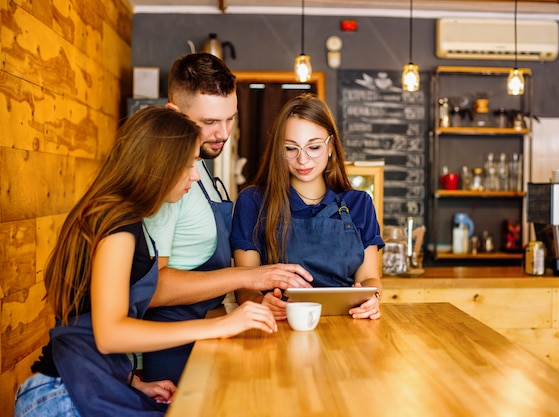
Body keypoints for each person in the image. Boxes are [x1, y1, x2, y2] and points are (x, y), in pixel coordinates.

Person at [13, 106, 279, 417]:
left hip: (86, 381)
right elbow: (110, 334)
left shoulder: (122, 217)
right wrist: (221, 325)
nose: (195, 174)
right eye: (189, 163)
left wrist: (131, 383)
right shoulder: (118, 225)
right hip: (61, 397)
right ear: (159, 164)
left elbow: (83, 318)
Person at [141, 53, 312, 384]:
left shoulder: (201, 169)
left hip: (212, 336)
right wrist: (246, 277)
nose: (222, 133)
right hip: (174, 349)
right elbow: (153, 286)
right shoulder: (169, 179)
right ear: (174, 113)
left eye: (231, 118)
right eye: (208, 123)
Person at [231, 93, 384, 321]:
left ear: (330, 146)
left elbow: (370, 278)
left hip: (347, 325)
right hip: (278, 325)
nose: (303, 160)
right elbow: (244, 286)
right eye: (291, 149)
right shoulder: (252, 201)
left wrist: (373, 299)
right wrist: (261, 302)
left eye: (313, 147)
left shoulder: (359, 204)